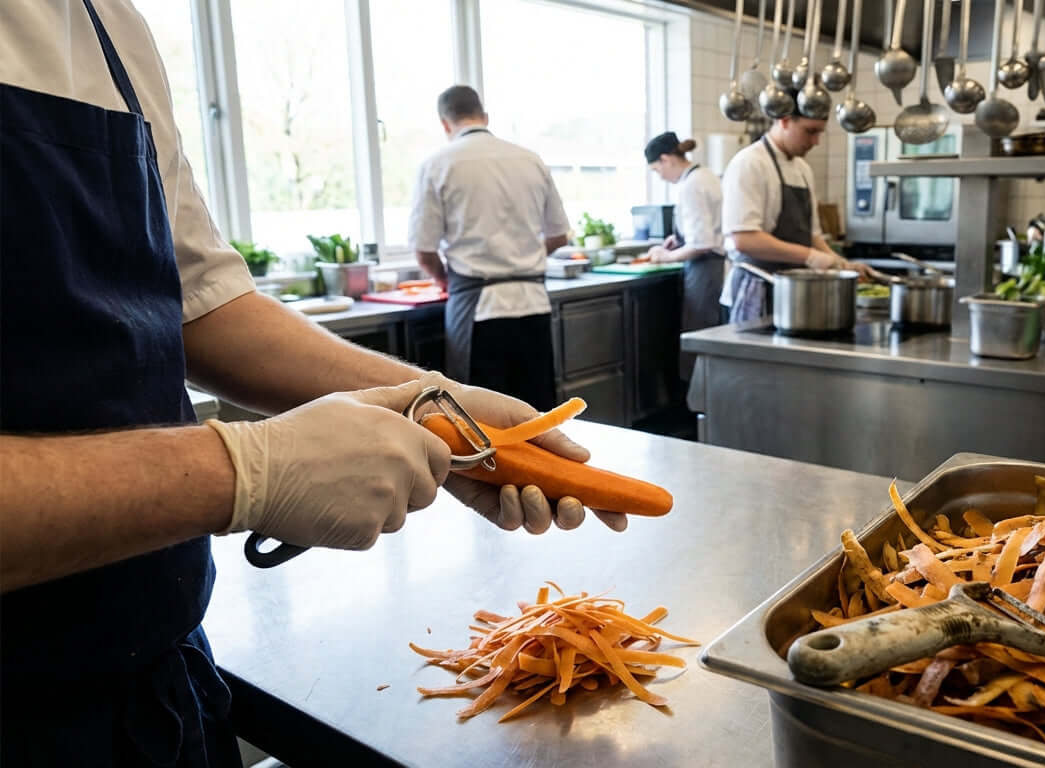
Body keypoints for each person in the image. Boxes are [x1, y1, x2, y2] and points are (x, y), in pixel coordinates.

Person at [0, 4, 621, 765]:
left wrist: (434, 402)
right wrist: (248, 472)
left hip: (157, 685)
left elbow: (203, 302)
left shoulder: (111, 27)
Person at [410, 85, 568, 411]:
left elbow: (424, 252)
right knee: (534, 415)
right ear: (485, 116)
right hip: (534, 307)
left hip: (479, 312)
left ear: (444, 123)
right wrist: (524, 257)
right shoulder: (530, 159)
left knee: (480, 421)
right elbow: (559, 235)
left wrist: (444, 279)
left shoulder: (438, 163)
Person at [719, 114, 879, 323]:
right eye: (810, 131)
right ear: (784, 120)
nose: (815, 141)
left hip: (796, 291)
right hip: (757, 290)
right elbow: (745, 239)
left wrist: (841, 263)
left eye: (819, 133)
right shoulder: (749, 163)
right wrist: (811, 257)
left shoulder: (803, 169)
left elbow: (811, 234)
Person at [644, 131, 727, 374]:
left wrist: (667, 256)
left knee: (701, 336)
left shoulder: (692, 185)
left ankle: (699, 405)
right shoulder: (704, 175)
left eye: (657, 170)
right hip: (714, 268)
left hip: (707, 271)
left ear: (666, 159)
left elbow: (702, 243)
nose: (660, 176)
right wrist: (678, 239)